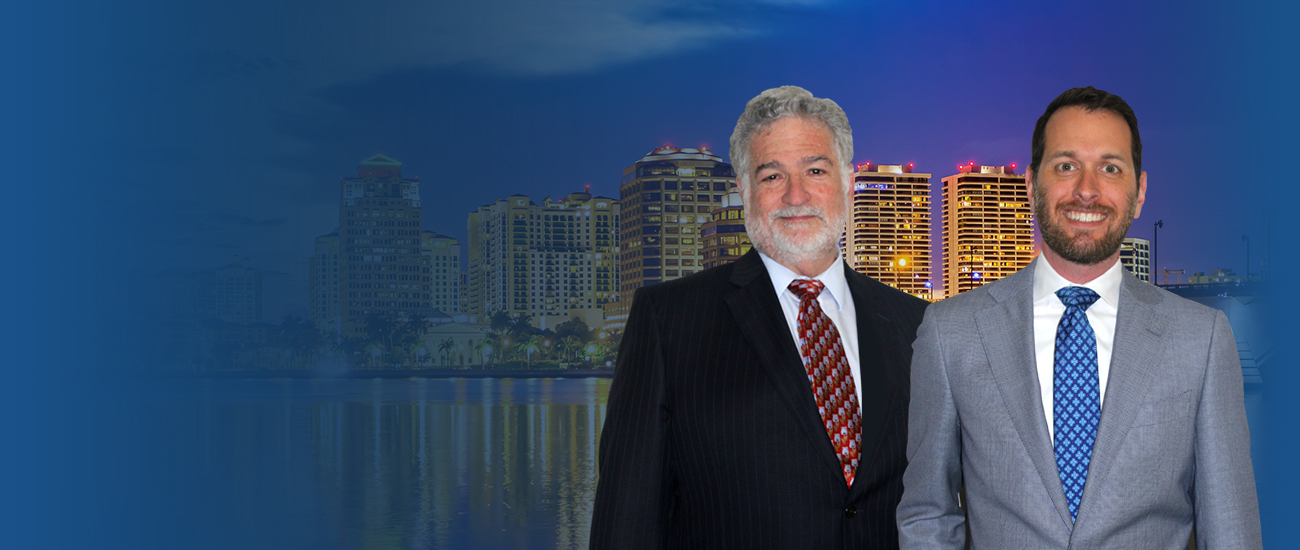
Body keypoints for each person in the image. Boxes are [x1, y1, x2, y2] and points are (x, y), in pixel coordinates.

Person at [897, 86, 1261, 549]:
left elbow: (1231, 530)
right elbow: (928, 513)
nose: (1087, 190)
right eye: (1066, 166)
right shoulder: (951, 333)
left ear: (1140, 190)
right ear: (1031, 183)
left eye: (1110, 168)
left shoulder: (1202, 340)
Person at [590, 86, 928, 549]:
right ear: (744, 192)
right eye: (772, 176)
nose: (796, 194)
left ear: (848, 183)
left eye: (815, 170)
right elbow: (625, 523)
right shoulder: (668, 322)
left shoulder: (919, 325)